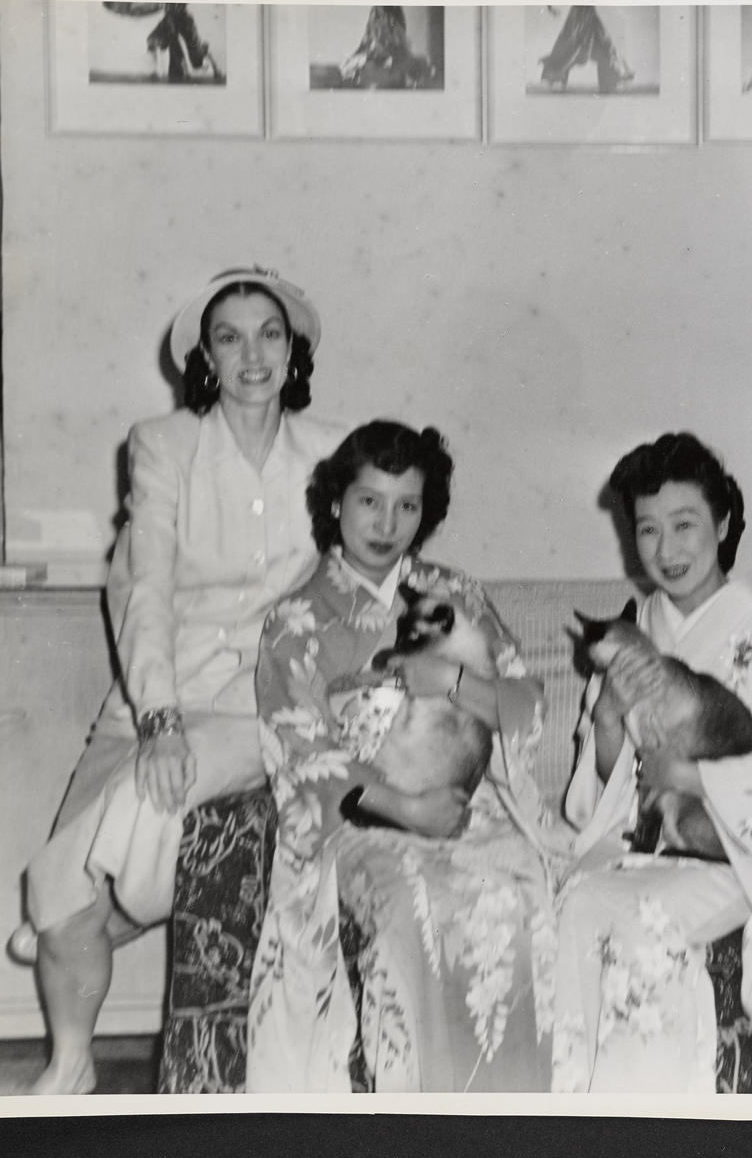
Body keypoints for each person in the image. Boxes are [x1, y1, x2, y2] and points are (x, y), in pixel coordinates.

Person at [10, 267, 344, 1094]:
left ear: (293, 347)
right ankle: (72, 1060)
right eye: (228, 337)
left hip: (261, 695)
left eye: (269, 333)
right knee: (57, 882)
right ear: (206, 356)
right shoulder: (163, 445)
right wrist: (157, 718)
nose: (252, 354)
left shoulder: (334, 450)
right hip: (153, 689)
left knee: (136, 829)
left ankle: (125, 901)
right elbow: (145, 588)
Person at [248, 421, 563, 1092]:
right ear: (336, 503)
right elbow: (304, 755)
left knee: (522, 901)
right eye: (370, 501)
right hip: (367, 822)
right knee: (426, 911)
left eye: (407, 505)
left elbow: (525, 707)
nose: (387, 523)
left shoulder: (460, 596)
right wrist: (407, 808)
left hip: (469, 808)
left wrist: (452, 683)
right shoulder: (297, 620)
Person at [552, 433, 752, 1092]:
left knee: (644, 929)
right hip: (650, 845)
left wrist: (690, 778)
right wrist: (610, 713)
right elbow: (602, 785)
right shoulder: (637, 629)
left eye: (685, 524)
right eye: (647, 529)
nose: (666, 550)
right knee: (574, 906)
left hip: (736, 851)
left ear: (723, 524)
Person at [536, 5, 635, 94]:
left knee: (601, 45)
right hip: (581, 14)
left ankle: (609, 83)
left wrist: (550, 7)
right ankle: (556, 78)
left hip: (587, 14)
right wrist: (550, 7)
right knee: (572, 44)